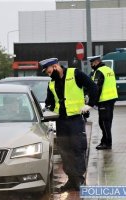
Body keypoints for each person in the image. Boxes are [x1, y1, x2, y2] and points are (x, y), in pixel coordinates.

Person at [40, 57, 98, 192]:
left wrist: (89, 104)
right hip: (61, 121)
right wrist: (46, 111)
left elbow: (93, 87)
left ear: (55, 66)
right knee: (65, 152)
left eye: (49, 72)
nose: (49, 75)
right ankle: (72, 181)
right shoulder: (52, 84)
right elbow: (50, 103)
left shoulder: (74, 74)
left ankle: (79, 181)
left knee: (77, 149)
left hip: (75, 120)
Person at [87, 55, 118, 150]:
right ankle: (105, 140)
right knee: (107, 122)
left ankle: (107, 143)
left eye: (92, 64)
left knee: (103, 122)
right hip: (111, 98)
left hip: (104, 100)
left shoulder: (99, 71)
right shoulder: (109, 69)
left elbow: (97, 87)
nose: (91, 65)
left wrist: (93, 101)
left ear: (96, 62)